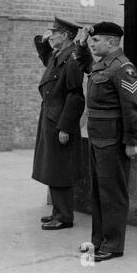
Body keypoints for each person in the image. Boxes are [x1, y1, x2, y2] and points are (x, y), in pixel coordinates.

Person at [76, 22, 137, 262]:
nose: (92, 44)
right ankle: (99, 240)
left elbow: (133, 108)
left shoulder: (122, 68)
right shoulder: (100, 65)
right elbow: (83, 62)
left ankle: (113, 245)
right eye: (91, 41)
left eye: (96, 41)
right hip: (98, 139)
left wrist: (131, 141)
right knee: (98, 192)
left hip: (114, 142)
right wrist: (81, 44)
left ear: (112, 42)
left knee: (112, 193)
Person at [32, 17, 85, 230]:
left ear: (65, 36)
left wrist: (65, 126)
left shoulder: (72, 59)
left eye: (54, 32)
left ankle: (64, 216)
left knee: (60, 169)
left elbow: (76, 96)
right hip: (51, 116)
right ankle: (58, 211)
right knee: (53, 167)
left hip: (59, 121)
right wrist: (43, 41)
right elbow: (46, 59)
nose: (50, 35)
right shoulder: (59, 54)